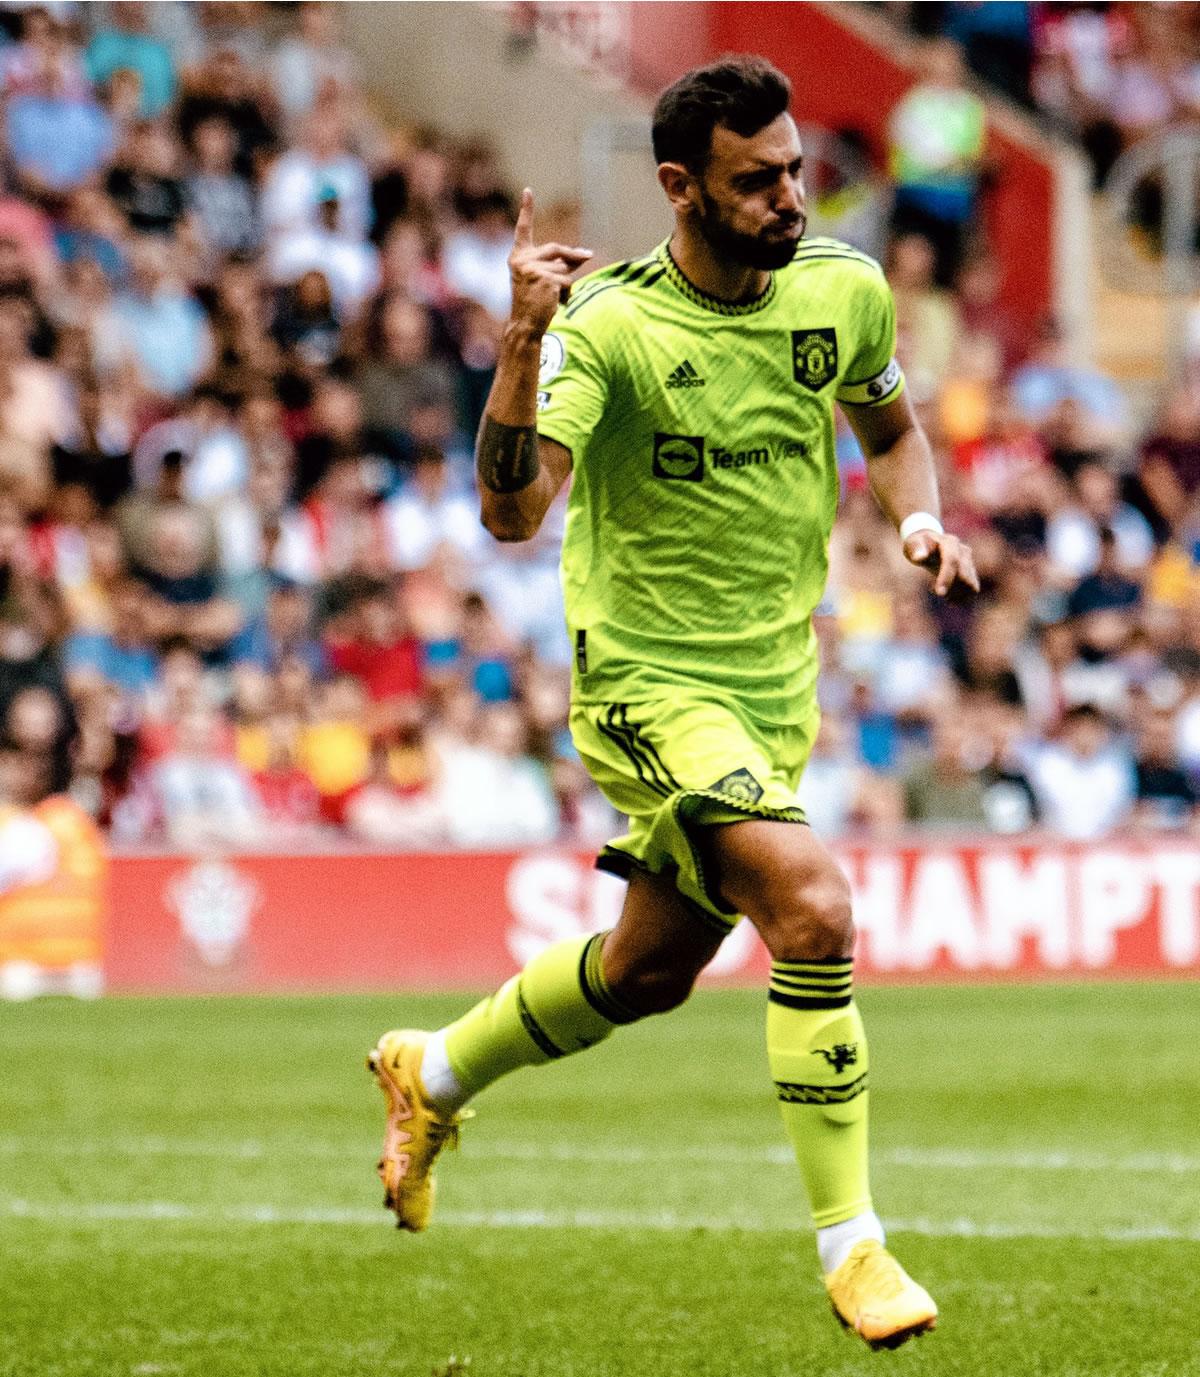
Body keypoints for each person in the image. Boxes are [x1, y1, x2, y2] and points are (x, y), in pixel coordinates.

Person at [367, 57, 977, 1351]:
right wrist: (525, 333)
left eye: (798, 169)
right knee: (811, 905)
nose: (791, 199)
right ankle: (853, 1244)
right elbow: (513, 509)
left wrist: (919, 515)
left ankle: (433, 1070)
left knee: (646, 975)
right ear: (678, 185)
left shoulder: (842, 292)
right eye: (757, 181)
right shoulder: (612, 330)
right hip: (646, 681)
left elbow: (891, 426)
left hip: (773, 694)